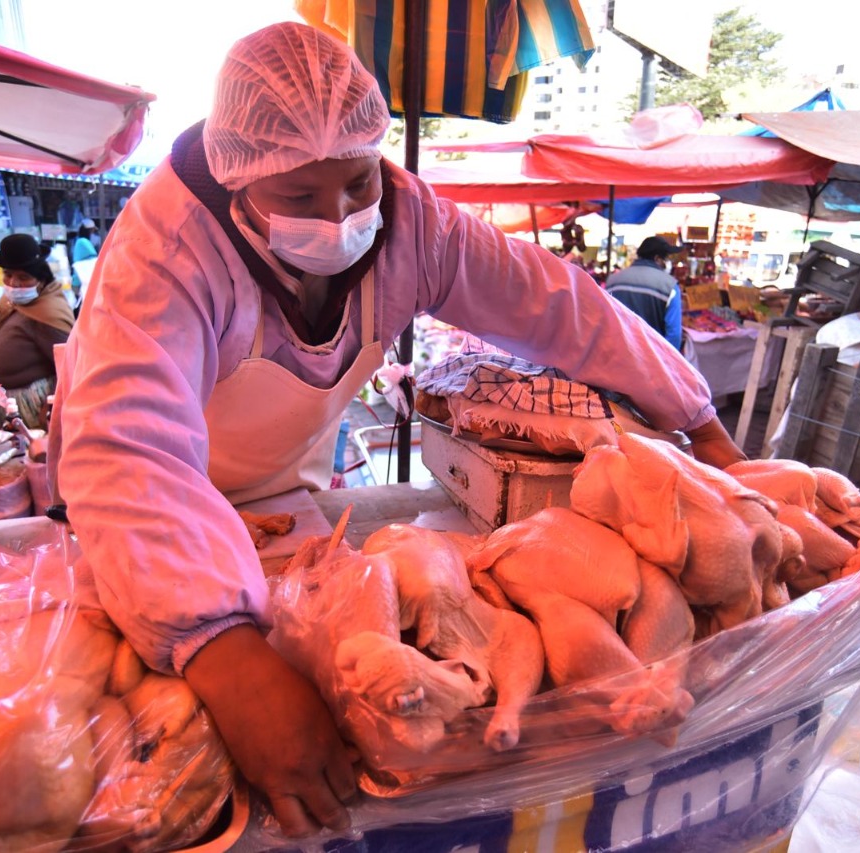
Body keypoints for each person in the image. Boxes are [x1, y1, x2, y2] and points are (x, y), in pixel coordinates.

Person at [55, 22, 744, 839]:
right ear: (241, 178)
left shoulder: (413, 223)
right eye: (300, 199)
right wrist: (225, 655)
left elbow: (557, 306)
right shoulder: (166, 249)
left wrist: (696, 417)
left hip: (283, 497)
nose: (342, 215)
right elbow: (133, 452)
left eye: (355, 183)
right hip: (145, 536)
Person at [0, 233, 74, 428]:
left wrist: (51, 407)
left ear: (41, 280)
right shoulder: (11, 303)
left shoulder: (49, 314)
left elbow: (70, 367)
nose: (13, 283)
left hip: (29, 412)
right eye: (8, 274)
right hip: (3, 405)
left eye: (23, 277)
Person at [603, 235, 683, 350]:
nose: (667, 262)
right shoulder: (670, 286)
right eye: (666, 259)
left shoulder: (612, 281)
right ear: (657, 259)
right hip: (651, 358)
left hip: (616, 354)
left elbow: (605, 320)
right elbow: (674, 334)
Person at [70, 218, 99, 292]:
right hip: (85, 282)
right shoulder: (83, 242)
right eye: (92, 231)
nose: (93, 234)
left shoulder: (80, 242)